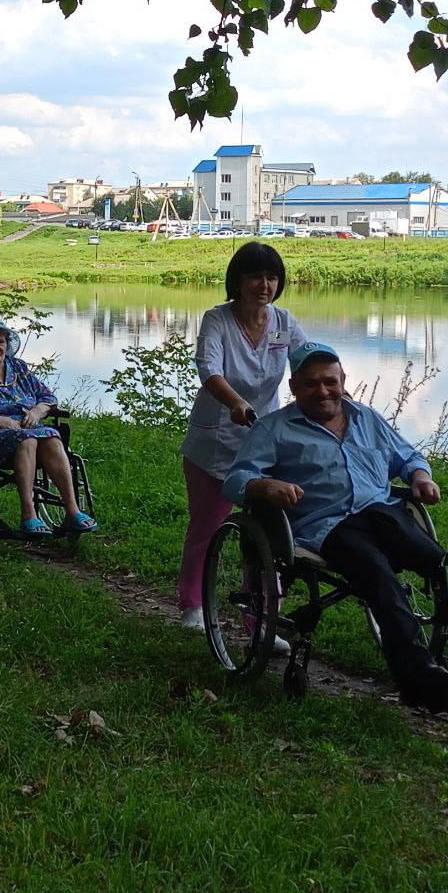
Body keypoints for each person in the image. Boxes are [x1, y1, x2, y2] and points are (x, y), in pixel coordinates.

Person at [222, 342, 448, 713]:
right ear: (294, 386)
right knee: (380, 579)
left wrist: (421, 477)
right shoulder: (274, 429)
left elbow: (408, 456)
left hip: (381, 512)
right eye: (311, 384)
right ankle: (418, 675)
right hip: (328, 525)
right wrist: (267, 486)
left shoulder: (368, 419)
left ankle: (439, 638)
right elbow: (236, 479)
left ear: (343, 380)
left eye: (330, 381)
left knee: (432, 558)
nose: (323, 391)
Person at [177, 242, 307, 637]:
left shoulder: (284, 322)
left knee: (266, 537)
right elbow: (209, 369)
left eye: (271, 277)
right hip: (214, 442)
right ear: (238, 280)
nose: (264, 285)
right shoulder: (216, 320)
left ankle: (261, 621)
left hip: (263, 443)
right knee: (208, 527)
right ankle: (192, 603)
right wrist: (235, 402)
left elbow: (309, 360)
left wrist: (335, 393)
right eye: (255, 276)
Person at [0, 317, 97, 537]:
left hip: (27, 427)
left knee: (52, 437)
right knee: (27, 440)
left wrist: (37, 412)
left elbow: (47, 396)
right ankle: (28, 514)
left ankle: (72, 511)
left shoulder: (18, 367)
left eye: (1, 341)